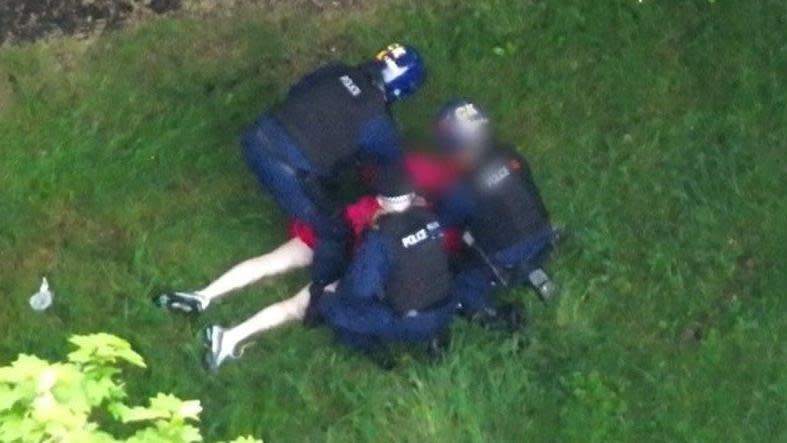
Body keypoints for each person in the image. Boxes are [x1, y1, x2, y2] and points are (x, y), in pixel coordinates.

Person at [240, 43, 426, 293]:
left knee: (329, 178)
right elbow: (392, 170)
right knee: (334, 231)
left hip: (257, 134)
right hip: (281, 168)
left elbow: (296, 92)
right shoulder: (377, 124)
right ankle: (322, 292)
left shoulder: (337, 71)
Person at [432, 99, 558, 325]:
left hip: (505, 258)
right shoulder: (509, 155)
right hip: (542, 233)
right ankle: (532, 272)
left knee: (457, 283)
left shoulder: (462, 189)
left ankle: (493, 316)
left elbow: (439, 224)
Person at [318, 173, 457, 359]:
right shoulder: (430, 219)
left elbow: (359, 290)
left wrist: (336, 289)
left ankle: (371, 348)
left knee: (331, 305)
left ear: (380, 202)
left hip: (411, 321)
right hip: (446, 309)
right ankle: (435, 336)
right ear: (412, 195)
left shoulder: (382, 237)